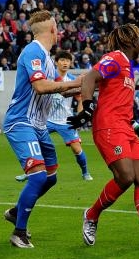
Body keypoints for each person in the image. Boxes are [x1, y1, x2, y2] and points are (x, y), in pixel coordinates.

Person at [67, 24, 139, 247]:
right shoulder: (116, 57)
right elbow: (90, 77)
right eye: (138, 40)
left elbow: (119, 104)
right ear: (131, 42)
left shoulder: (127, 67)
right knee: (126, 176)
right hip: (109, 126)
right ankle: (91, 215)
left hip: (125, 128)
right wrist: (88, 108)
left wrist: (138, 128)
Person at [2, 10, 83, 248]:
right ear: (52, 30)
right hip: (22, 122)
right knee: (38, 176)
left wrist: (88, 83)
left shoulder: (47, 58)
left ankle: (17, 212)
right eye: (57, 27)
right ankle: (19, 232)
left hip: (38, 125)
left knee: (50, 178)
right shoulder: (33, 51)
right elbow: (40, 87)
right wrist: (75, 83)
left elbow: (58, 89)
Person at [15, 51, 92, 182]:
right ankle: (30, 172)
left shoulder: (73, 80)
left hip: (66, 120)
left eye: (68, 60)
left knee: (76, 148)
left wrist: (79, 117)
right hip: (47, 120)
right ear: (56, 62)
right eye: (62, 60)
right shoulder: (47, 78)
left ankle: (85, 172)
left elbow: (80, 99)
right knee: (35, 145)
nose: (65, 63)